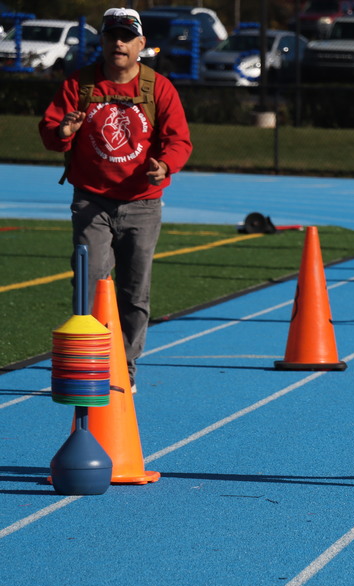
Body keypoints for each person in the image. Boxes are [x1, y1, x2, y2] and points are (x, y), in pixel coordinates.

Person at [39, 7, 192, 393]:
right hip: (91, 202)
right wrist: (63, 132)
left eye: (126, 37)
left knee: (134, 292)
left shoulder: (159, 88)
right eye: (112, 36)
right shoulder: (79, 84)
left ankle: (125, 368)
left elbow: (179, 140)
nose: (118, 43)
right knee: (89, 283)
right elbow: (51, 130)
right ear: (103, 42)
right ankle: (91, 365)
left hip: (143, 203)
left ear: (141, 44)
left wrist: (165, 165)